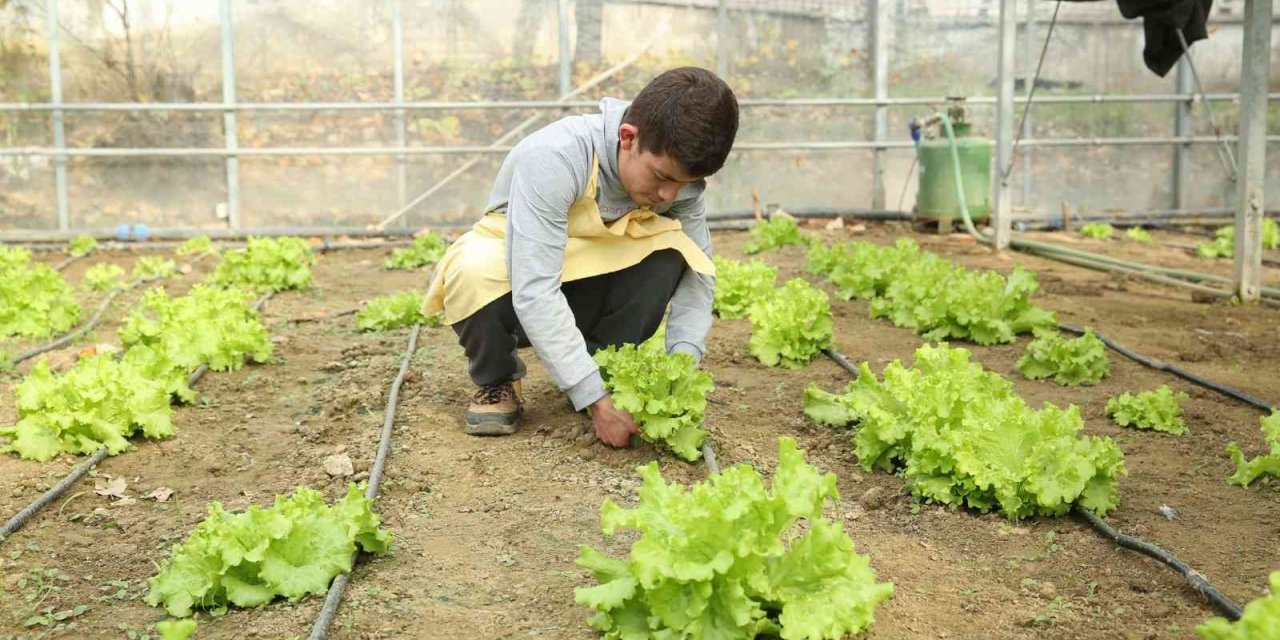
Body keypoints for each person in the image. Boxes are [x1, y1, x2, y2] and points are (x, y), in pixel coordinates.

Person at [423, 66, 738, 448]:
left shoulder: (680, 185)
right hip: (519, 276)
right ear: (627, 138)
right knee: (471, 268)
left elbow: (699, 273)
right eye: (662, 177)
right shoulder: (555, 157)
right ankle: (498, 379)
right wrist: (595, 401)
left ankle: (602, 368)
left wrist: (682, 366)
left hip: (591, 276)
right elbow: (535, 287)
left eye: (684, 184)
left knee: (673, 252)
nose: (670, 195)